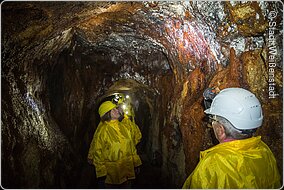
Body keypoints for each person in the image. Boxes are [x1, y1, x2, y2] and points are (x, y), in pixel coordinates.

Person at [182, 87, 281, 189]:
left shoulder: (213, 164)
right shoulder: (264, 151)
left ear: (221, 131)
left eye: (212, 120)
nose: (211, 122)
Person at [88, 100, 142, 188]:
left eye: (116, 108)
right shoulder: (103, 130)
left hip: (127, 171)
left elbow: (131, 147)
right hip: (112, 174)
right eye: (113, 110)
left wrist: (136, 164)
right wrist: (101, 172)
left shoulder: (123, 127)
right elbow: (98, 153)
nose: (117, 111)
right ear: (107, 113)